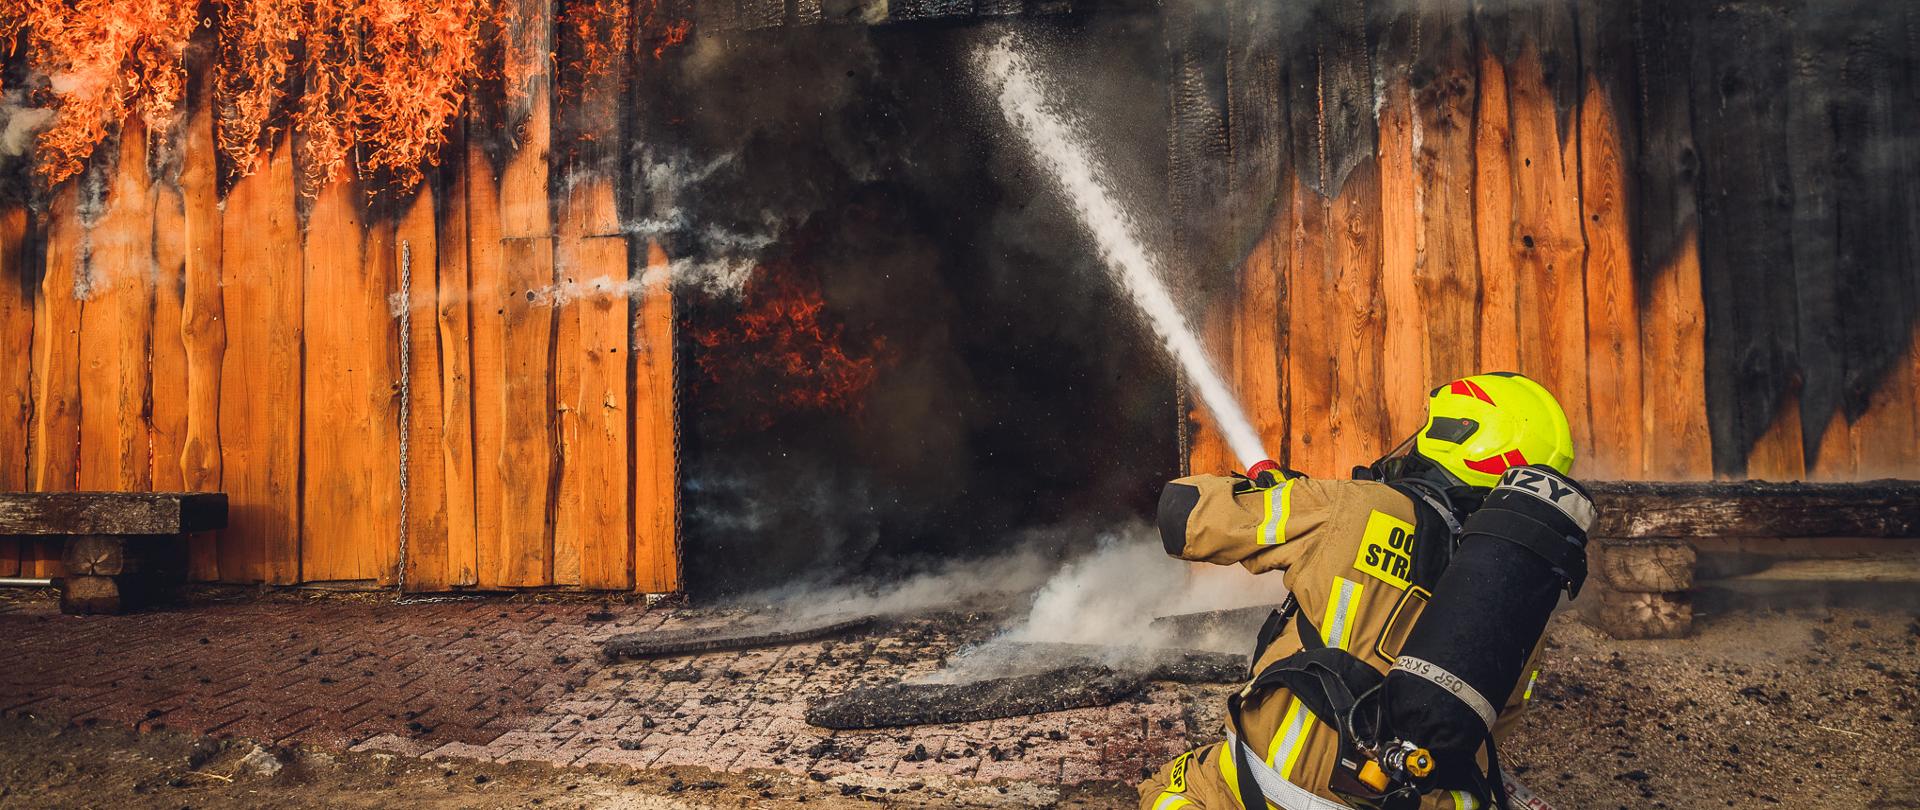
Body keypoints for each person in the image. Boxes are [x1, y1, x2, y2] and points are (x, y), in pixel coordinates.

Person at [1139, 372, 1595, 810]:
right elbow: (1497, 720)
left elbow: (1184, 519)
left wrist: (1275, 497)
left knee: (1171, 786)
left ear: (1454, 437)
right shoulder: (1521, 595)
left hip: (1279, 789)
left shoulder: (1352, 506)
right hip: (1416, 798)